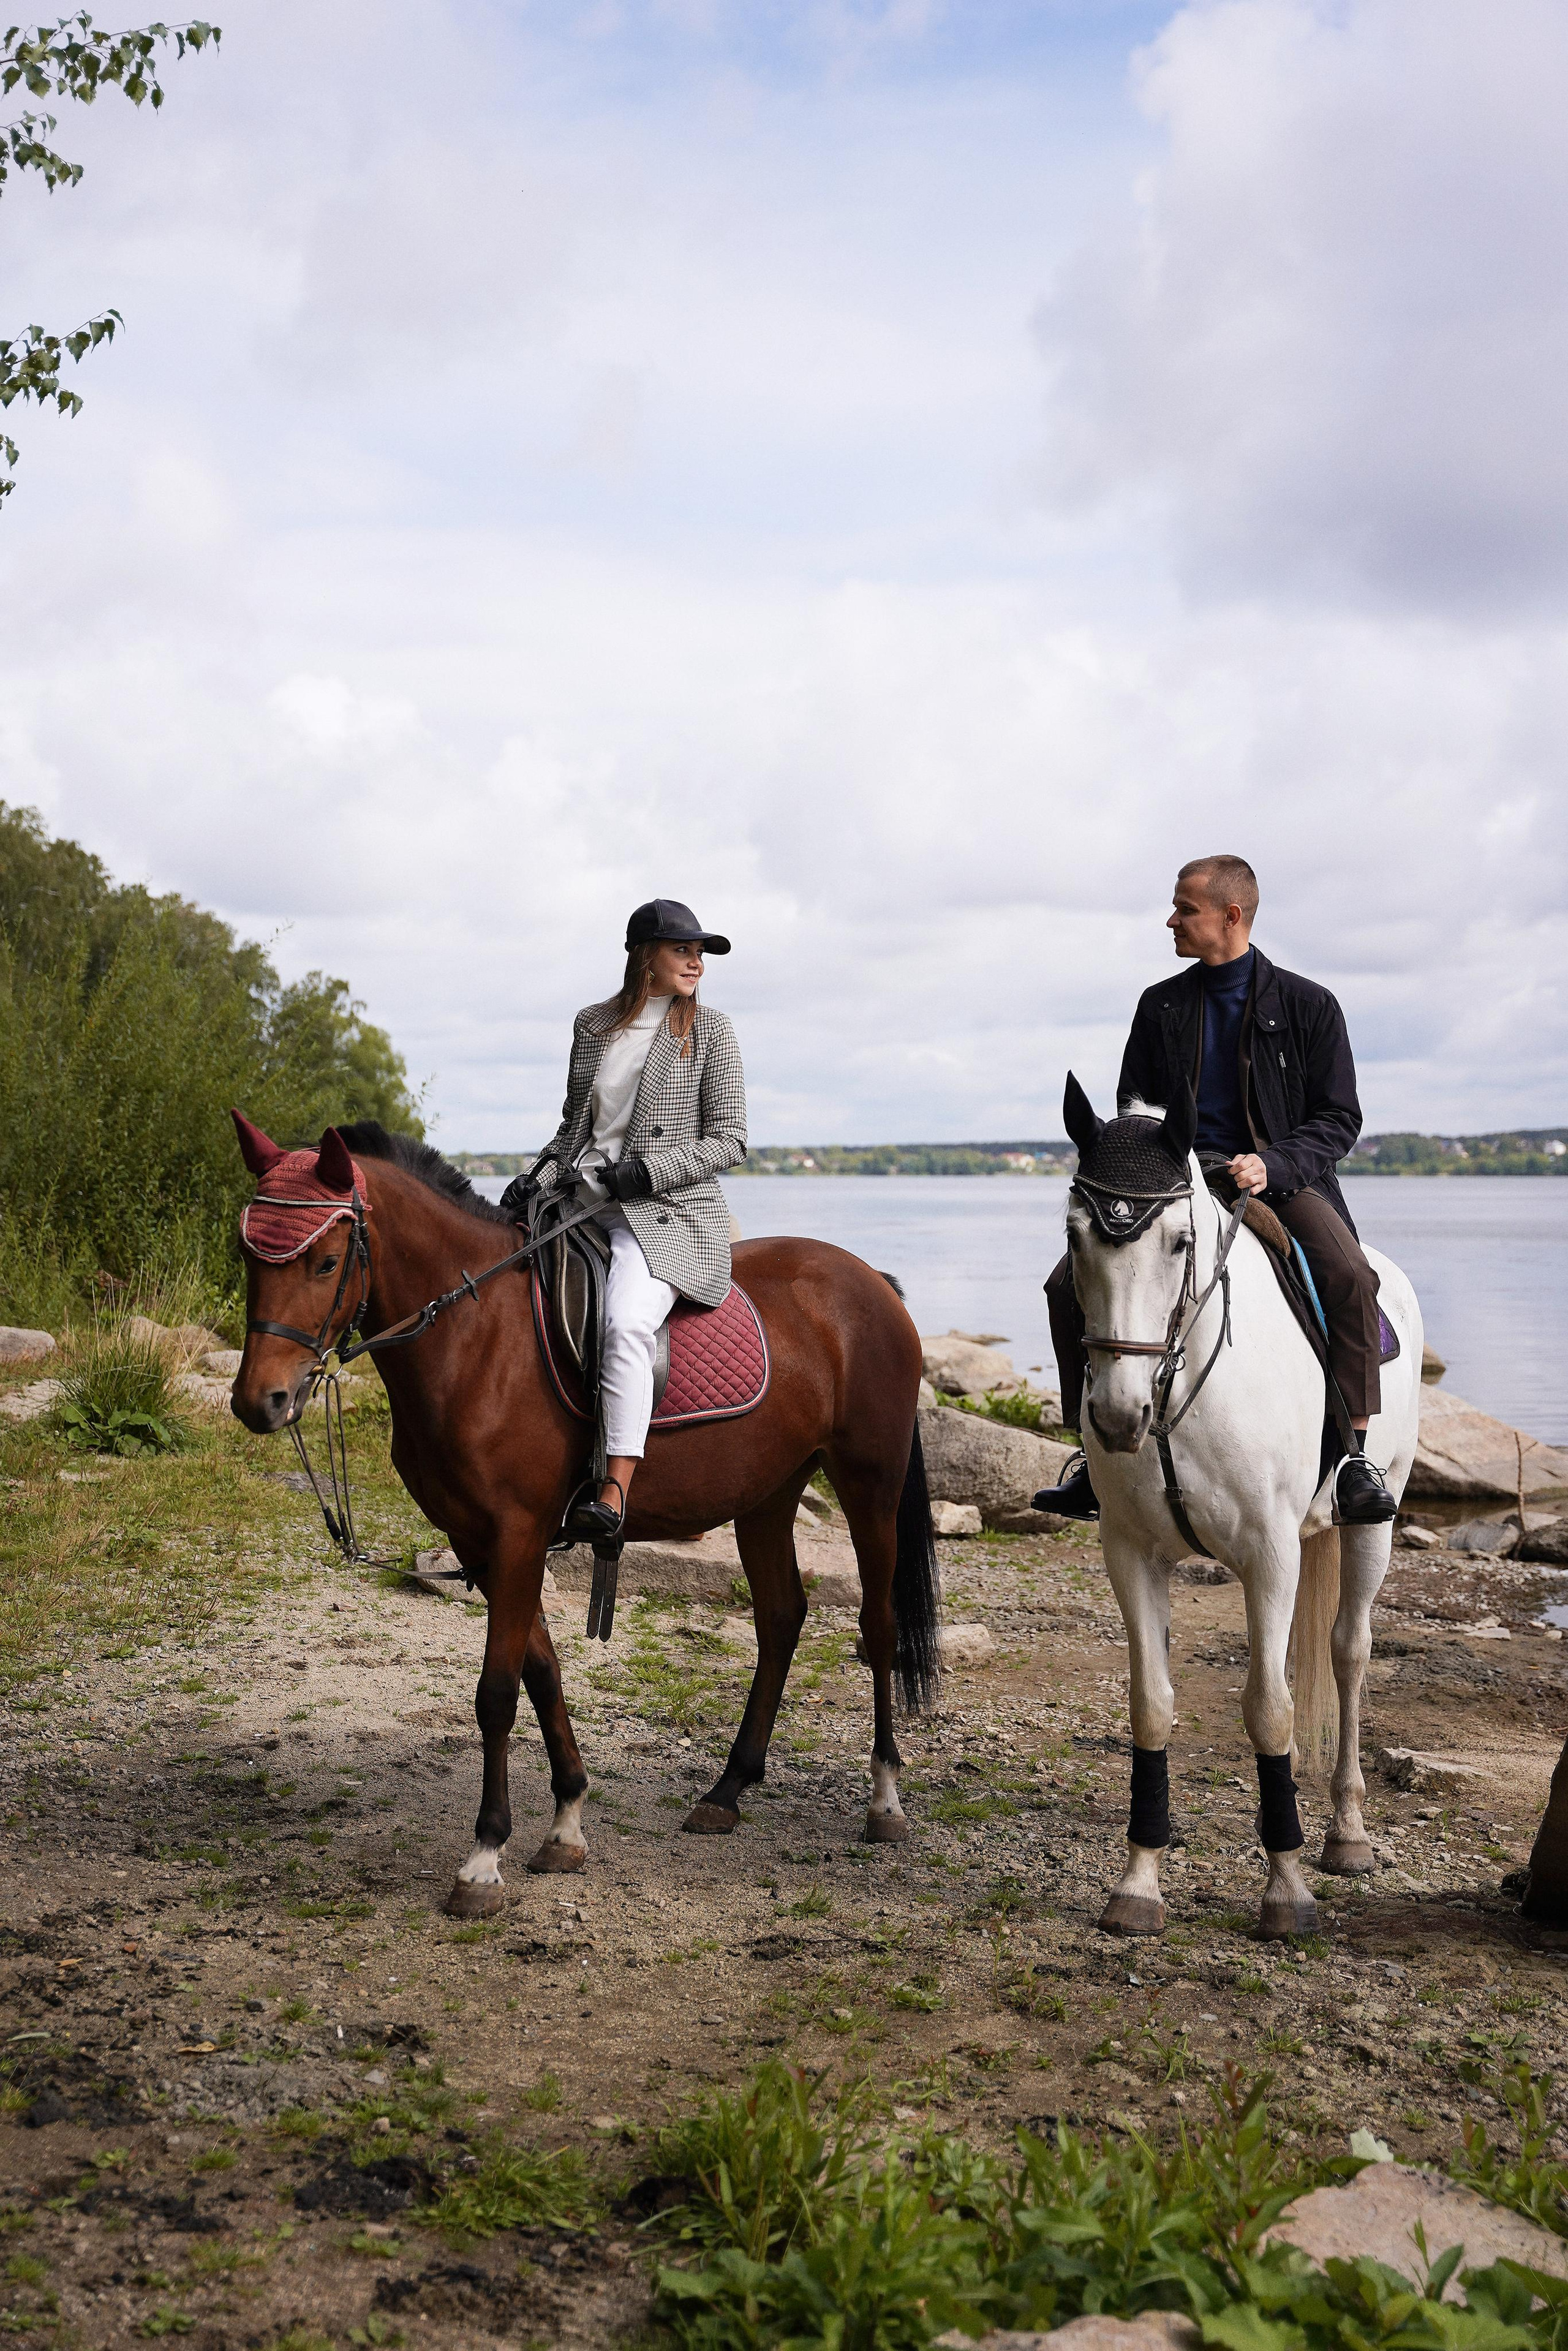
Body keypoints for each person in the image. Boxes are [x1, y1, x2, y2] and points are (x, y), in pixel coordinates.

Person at [1036, 853, 1396, 1526]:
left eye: (1185, 908)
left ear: (1231, 916)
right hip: (1175, 1184)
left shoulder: (1310, 1004)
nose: (1171, 920)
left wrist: (1274, 1163)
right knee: (1063, 1286)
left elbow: (1339, 1118)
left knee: (1350, 1275)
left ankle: (1354, 1458)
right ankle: (1087, 1456)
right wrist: (1162, 1168)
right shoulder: (1159, 1005)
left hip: (1280, 1181)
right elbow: (1132, 1108)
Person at [503, 897, 747, 1542]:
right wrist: (536, 1176)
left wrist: (648, 1172)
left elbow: (731, 1142)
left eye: (700, 953)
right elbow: (573, 1130)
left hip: (664, 1214)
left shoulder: (711, 1031)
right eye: (682, 950)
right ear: (646, 956)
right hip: (577, 1203)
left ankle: (613, 1487)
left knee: (626, 1322)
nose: (696, 962)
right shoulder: (593, 1026)